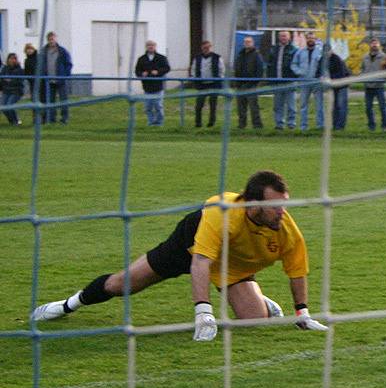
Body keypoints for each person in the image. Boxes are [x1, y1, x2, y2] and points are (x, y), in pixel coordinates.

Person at [31, 170, 328, 338]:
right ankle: (68, 305)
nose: (283, 212)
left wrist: (302, 313)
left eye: (285, 204)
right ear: (251, 204)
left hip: (231, 263)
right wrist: (204, 313)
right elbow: (200, 261)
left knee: (255, 321)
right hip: (188, 248)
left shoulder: (286, 228)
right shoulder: (220, 211)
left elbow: (296, 270)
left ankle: (257, 301)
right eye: (276, 205)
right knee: (121, 284)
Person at [290, 33, 324, 131]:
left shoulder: (320, 52)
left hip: (317, 82)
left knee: (319, 105)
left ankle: (320, 126)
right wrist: (299, 72)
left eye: (312, 38)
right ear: (306, 40)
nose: (310, 40)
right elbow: (294, 64)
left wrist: (322, 75)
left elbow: (324, 65)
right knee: (303, 105)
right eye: (308, 38)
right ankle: (303, 127)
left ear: (315, 40)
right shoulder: (300, 52)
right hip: (304, 82)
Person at [134, 40, 171, 126]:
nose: (150, 47)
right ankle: (150, 122)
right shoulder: (141, 59)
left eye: (152, 45)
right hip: (147, 86)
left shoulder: (161, 58)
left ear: (155, 46)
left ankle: (159, 123)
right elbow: (137, 71)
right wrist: (142, 74)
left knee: (158, 106)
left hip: (158, 85)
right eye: (149, 45)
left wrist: (158, 72)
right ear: (146, 47)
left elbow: (167, 68)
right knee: (148, 107)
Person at [266, 30, 297, 130]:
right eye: (281, 36)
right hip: (277, 81)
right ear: (279, 37)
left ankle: (291, 123)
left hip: (289, 82)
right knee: (278, 105)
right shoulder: (273, 49)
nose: (283, 38)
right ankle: (279, 124)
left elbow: (296, 65)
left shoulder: (294, 50)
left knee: (291, 105)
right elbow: (269, 65)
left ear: (289, 37)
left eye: (285, 36)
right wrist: (270, 79)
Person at [191, 40, 225, 128]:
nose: (206, 49)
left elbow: (222, 70)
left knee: (213, 105)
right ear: (202, 48)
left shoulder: (217, 57)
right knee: (199, 105)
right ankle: (198, 123)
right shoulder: (197, 57)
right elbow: (193, 69)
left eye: (207, 47)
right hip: (202, 85)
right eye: (204, 48)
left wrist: (219, 79)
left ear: (210, 47)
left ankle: (211, 123)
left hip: (213, 84)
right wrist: (196, 78)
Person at [41, 31, 73, 124]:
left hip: (60, 80)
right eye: (50, 39)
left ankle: (64, 118)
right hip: (48, 80)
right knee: (50, 101)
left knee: (63, 100)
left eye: (53, 39)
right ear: (47, 40)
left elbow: (69, 64)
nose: (51, 41)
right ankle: (51, 119)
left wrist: (65, 75)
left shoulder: (62, 51)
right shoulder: (44, 51)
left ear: (56, 39)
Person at [234, 36, 264, 129]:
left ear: (253, 43)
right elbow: (237, 69)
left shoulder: (257, 55)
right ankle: (242, 125)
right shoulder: (240, 55)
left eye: (249, 42)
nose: (247, 43)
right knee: (241, 107)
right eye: (245, 42)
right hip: (240, 84)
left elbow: (260, 70)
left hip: (251, 85)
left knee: (253, 106)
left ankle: (257, 125)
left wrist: (255, 82)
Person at [361, 37, 386, 132]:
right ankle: (371, 126)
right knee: (368, 108)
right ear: (370, 45)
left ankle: (384, 125)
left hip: (379, 85)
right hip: (368, 86)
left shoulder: (384, 56)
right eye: (372, 43)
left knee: (382, 107)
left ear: (379, 45)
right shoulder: (365, 57)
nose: (374, 45)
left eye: (376, 43)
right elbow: (363, 69)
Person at [326, 45, 350, 130]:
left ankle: (340, 126)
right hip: (333, 85)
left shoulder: (337, 59)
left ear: (331, 51)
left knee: (341, 105)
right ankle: (334, 124)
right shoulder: (323, 60)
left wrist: (329, 78)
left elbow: (342, 74)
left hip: (342, 84)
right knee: (334, 106)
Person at [0, 53, 24, 125]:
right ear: (8, 59)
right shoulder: (4, 68)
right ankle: (12, 121)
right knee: (3, 107)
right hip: (6, 90)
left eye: (14, 58)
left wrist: (9, 80)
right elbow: (2, 79)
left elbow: (18, 81)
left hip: (16, 91)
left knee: (10, 105)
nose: (12, 60)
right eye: (10, 58)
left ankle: (16, 121)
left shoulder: (19, 69)